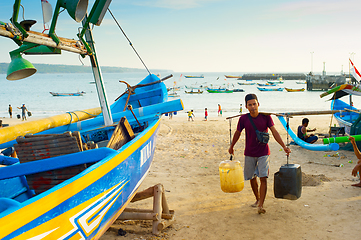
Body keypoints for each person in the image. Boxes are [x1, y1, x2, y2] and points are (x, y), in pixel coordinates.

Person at [228, 94, 291, 214]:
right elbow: (237, 133)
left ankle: (261, 205)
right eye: (250, 105)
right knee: (252, 178)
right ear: (246, 106)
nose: (253, 107)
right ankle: (257, 199)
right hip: (249, 153)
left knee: (263, 177)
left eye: (254, 104)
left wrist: (284, 146)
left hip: (263, 152)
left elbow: (275, 132)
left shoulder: (266, 117)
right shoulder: (243, 119)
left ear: (258, 104)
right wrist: (231, 146)